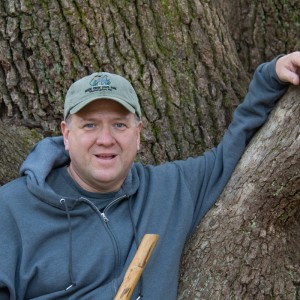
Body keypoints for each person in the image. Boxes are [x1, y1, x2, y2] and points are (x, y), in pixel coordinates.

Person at [0, 52, 299, 300]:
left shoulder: (169, 190)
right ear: (66, 134)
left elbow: (239, 152)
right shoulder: (11, 210)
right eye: (90, 125)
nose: (105, 139)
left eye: (119, 125)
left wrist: (270, 77)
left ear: (138, 134)